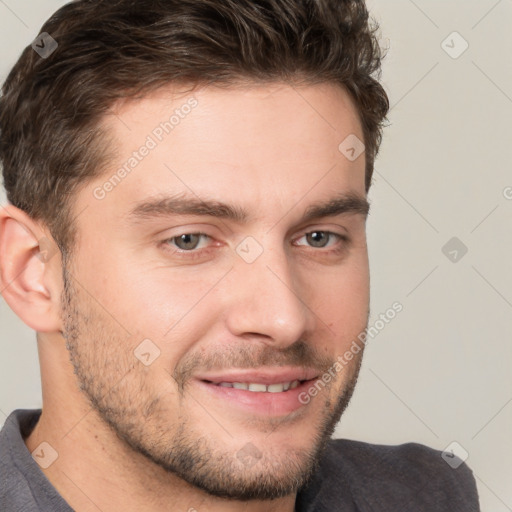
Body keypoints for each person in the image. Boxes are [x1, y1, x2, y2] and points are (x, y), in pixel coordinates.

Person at [0, 0, 480, 510]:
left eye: (319, 237)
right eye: (189, 240)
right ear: (33, 272)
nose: (283, 318)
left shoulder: (426, 496)